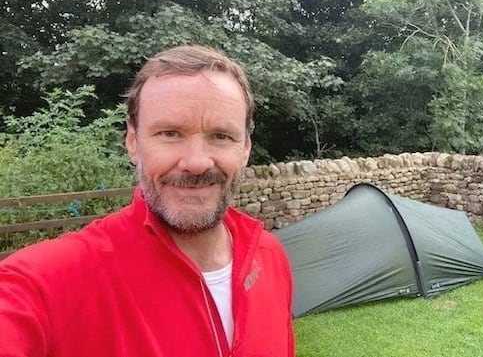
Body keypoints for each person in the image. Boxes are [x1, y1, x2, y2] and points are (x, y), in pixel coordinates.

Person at [0, 45, 295, 357]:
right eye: (170, 133)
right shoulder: (43, 285)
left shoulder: (269, 257)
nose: (196, 163)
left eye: (221, 136)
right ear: (133, 142)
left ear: (245, 148)